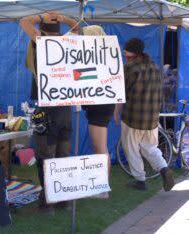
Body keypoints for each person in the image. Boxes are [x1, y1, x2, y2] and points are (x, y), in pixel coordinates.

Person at [20, 12, 79, 213]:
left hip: (47, 110)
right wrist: (65, 18)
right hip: (66, 110)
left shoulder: (42, 44)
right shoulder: (67, 44)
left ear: (41, 31)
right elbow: (78, 28)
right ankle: (64, 199)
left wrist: (41, 15)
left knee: (46, 156)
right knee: (62, 155)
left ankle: (47, 202)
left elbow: (24, 21)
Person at [114, 38, 174, 191]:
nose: (123, 52)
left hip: (133, 117)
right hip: (152, 117)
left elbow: (121, 93)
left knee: (131, 148)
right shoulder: (153, 65)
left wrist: (116, 112)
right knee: (150, 147)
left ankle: (140, 180)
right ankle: (164, 169)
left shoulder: (129, 67)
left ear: (130, 52)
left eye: (125, 50)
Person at [81, 25, 114, 199]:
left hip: (100, 106)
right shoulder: (104, 55)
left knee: (100, 147)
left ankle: (103, 189)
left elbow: (86, 76)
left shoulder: (100, 57)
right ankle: (102, 187)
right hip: (101, 105)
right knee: (99, 146)